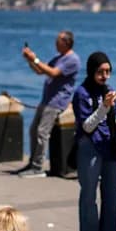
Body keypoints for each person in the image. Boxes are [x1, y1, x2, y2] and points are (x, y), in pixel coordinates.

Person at [72, 52, 116, 231]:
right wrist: (104, 106)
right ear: (91, 71)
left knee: (113, 198)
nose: (105, 76)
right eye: (100, 72)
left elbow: (107, 122)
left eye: (108, 71)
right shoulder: (81, 93)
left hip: (110, 147)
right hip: (90, 146)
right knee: (89, 197)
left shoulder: (108, 91)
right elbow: (87, 126)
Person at [18, 30, 80, 178]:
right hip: (46, 100)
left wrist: (36, 59)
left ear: (66, 42)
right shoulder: (59, 57)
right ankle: (32, 162)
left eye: (58, 40)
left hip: (57, 102)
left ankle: (38, 167)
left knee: (42, 133)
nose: (55, 43)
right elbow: (41, 71)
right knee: (34, 131)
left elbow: (53, 72)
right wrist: (30, 60)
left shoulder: (72, 60)